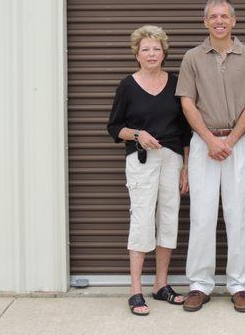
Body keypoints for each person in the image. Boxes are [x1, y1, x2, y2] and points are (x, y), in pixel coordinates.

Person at [176, 0, 245, 313]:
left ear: (234, 21)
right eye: (213, 16)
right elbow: (186, 102)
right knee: (201, 215)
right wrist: (210, 140)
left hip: (236, 143)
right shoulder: (192, 58)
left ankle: (239, 285)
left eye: (224, 16)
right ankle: (199, 284)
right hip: (203, 144)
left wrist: (230, 140)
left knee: (238, 216)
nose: (219, 21)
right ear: (205, 22)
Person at [107, 25, 191, 316]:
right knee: (142, 220)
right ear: (137, 54)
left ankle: (161, 285)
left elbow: (185, 131)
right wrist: (138, 134)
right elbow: (114, 127)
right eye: (146, 49)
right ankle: (135, 290)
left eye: (156, 48)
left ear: (163, 52)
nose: (152, 54)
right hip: (141, 159)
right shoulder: (127, 86)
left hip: (172, 159)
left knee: (169, 219)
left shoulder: (176, 84)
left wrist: (186, 168)